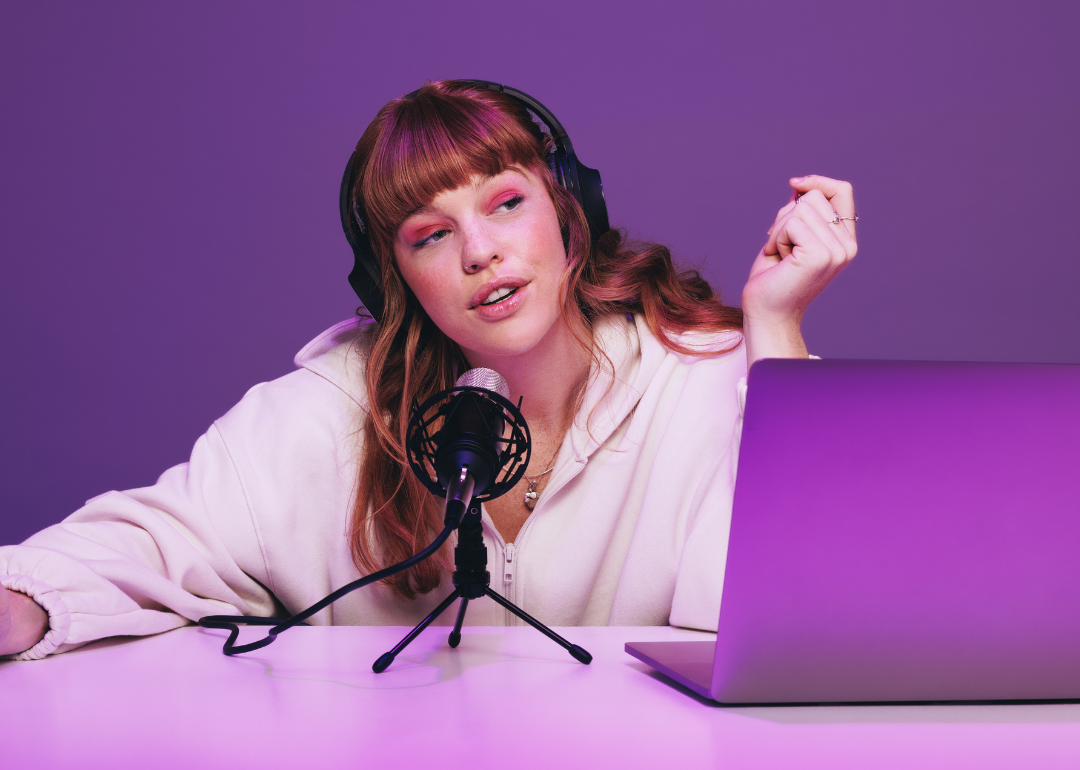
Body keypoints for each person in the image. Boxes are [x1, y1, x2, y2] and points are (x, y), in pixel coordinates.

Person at [0, 80, 857, 660]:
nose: (481, 252)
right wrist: (25, 598)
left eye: (506, 203)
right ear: (393, 278)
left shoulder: (708, 381)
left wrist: (774, 328)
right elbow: (142, 543)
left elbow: (777, 623)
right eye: (431, 234)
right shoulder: (323, 415)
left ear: (569, 210)